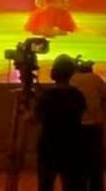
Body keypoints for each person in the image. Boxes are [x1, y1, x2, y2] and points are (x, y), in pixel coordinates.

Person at [34, 55, 87, 191]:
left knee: (45, 185)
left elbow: (35, 119)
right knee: (73, 184)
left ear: (54, 72)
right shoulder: (77, 95)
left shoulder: (46, 96)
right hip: (72, 146)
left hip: (48, 146)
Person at [70, 61, 106, 191]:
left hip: (77, 125)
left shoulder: (73, 79)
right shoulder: (95, 79)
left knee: (77, 161)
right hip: (95, 125)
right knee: (96, 162)